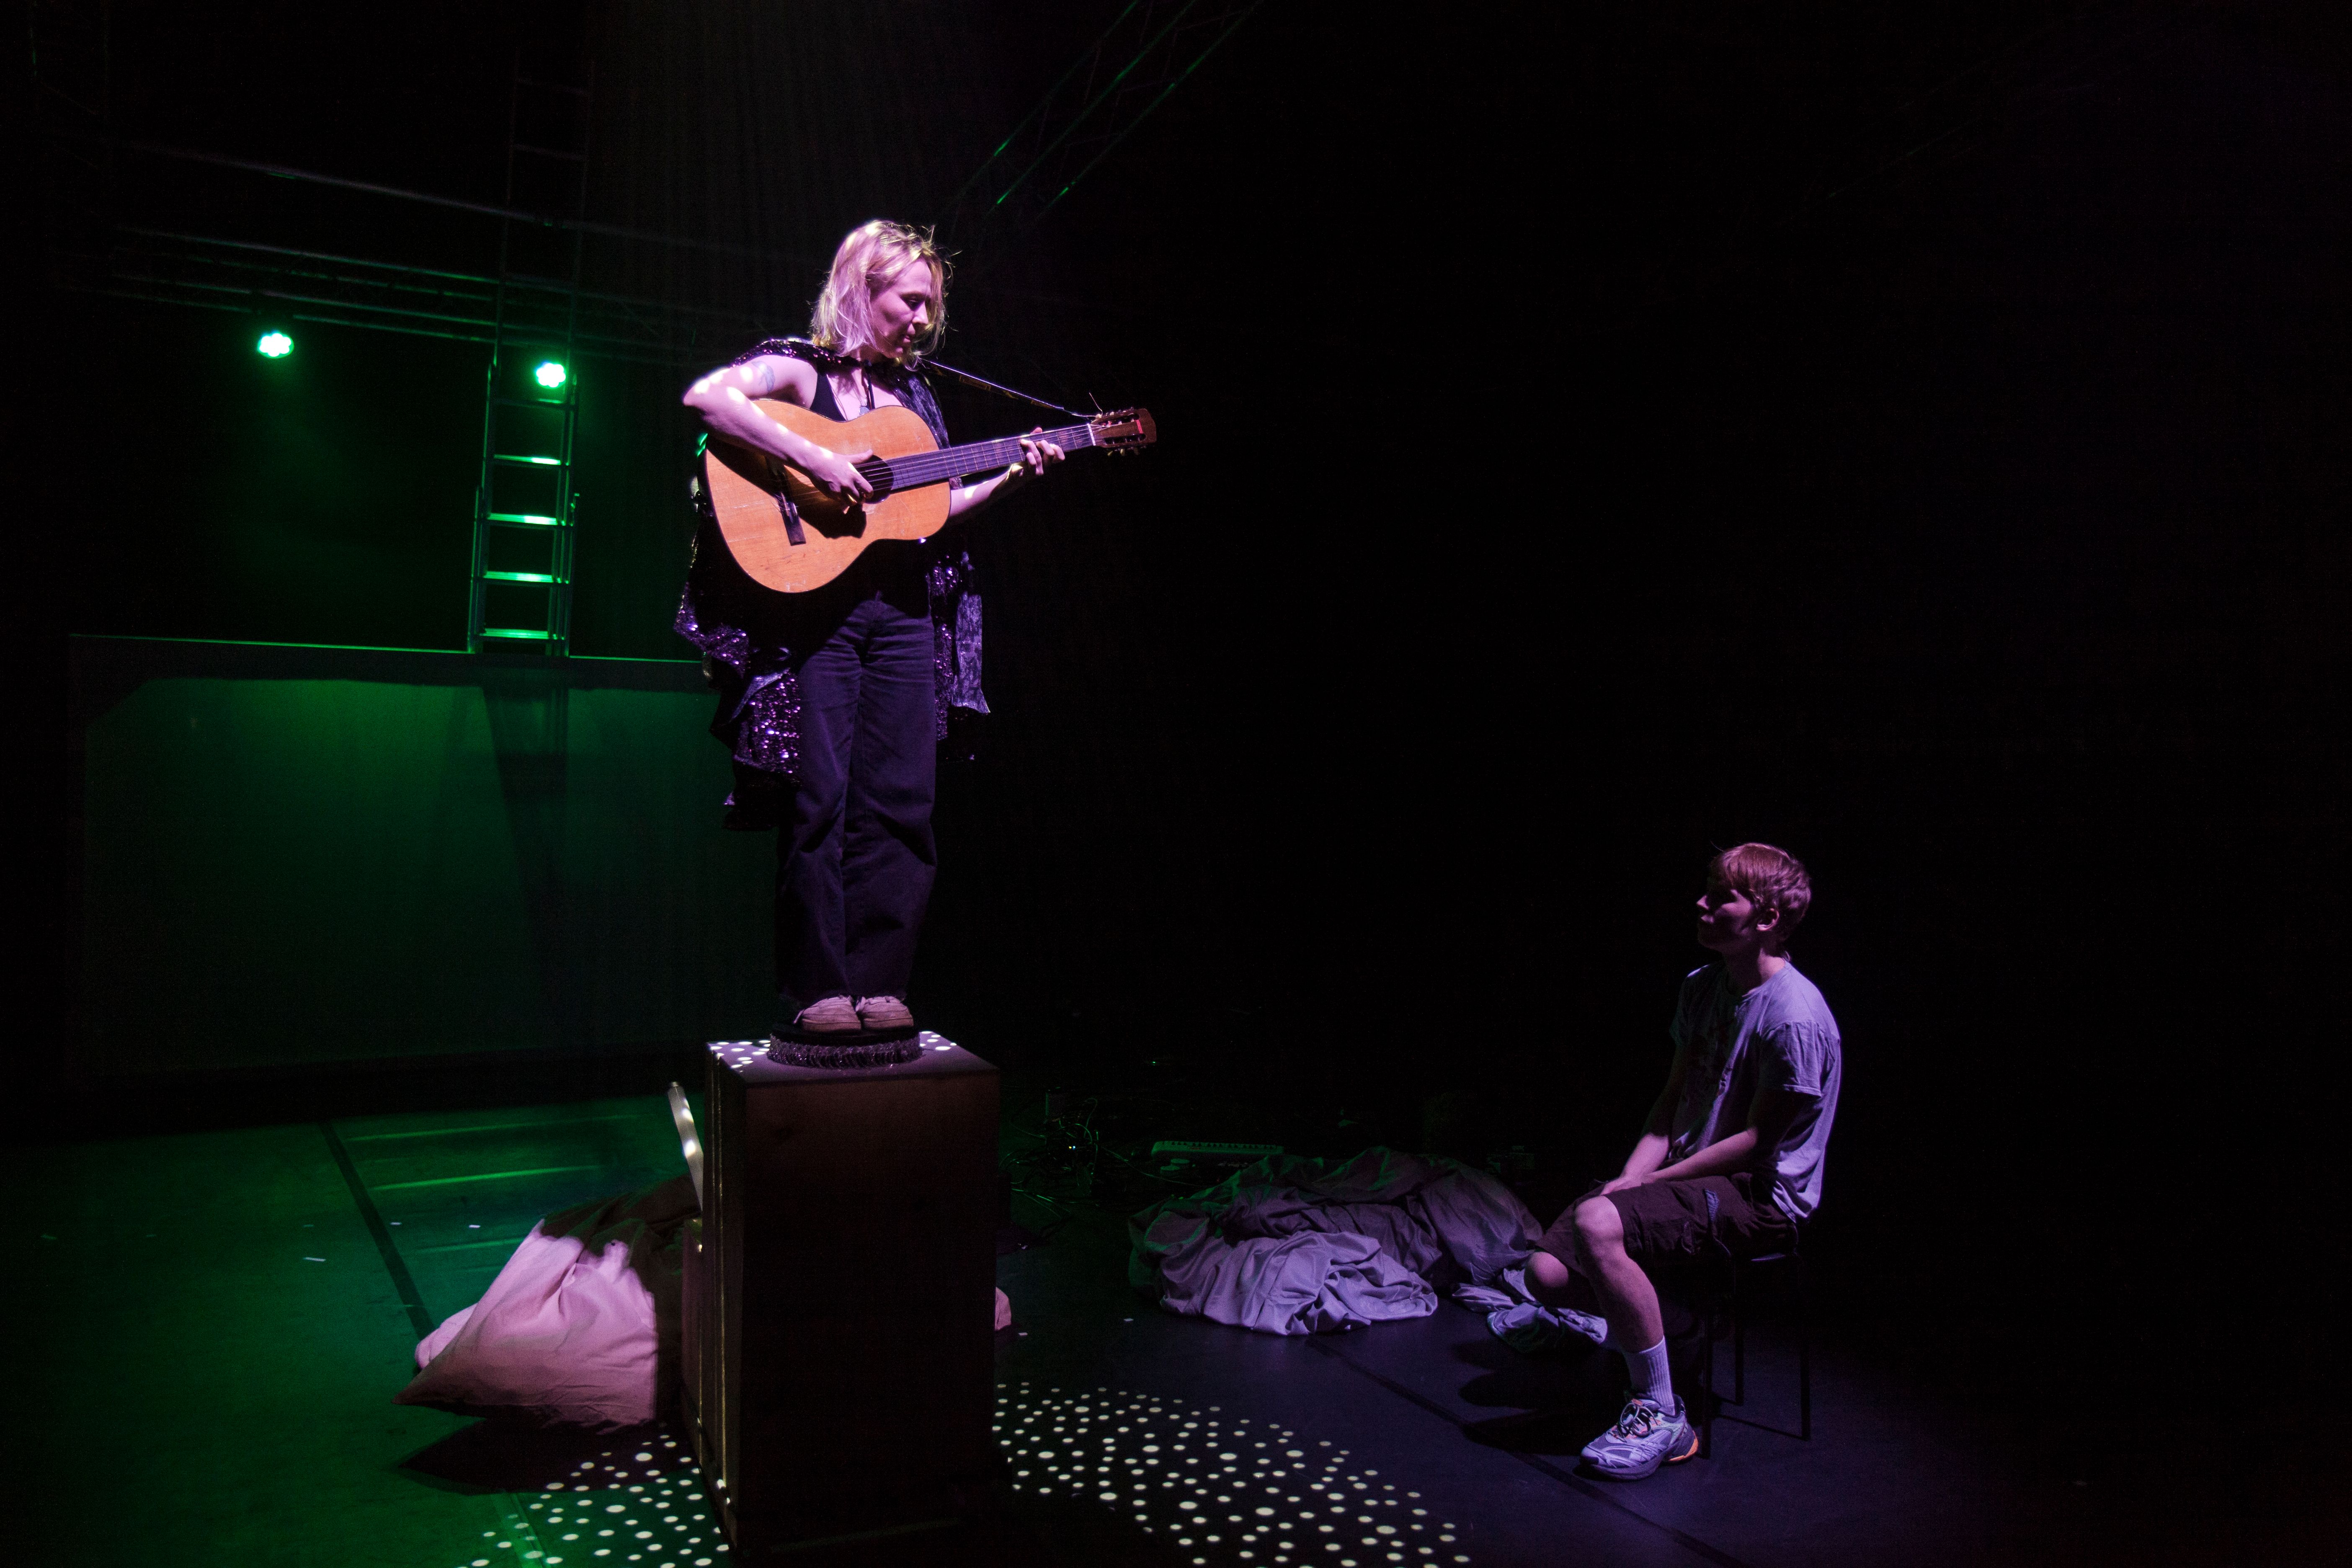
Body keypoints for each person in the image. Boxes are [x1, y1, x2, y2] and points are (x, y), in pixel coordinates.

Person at [676, 220, 1064, 1036]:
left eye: (932, 306)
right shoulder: (800, 368)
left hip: (902, 613)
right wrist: (818, 460)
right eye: (910, 301)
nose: (924, 320)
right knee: (819, 798)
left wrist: (1013, 479)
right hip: (819, 613)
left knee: (901, 799)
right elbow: (709, 399)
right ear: (863, 289)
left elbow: (928, 511)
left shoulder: (914, 403)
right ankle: (819, 988)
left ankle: (881, 984)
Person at [1527, 842, 1842, 1480]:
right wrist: (1629, 1177)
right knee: (1546, 1274)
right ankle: (1686, 1327)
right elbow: (1672, 1103)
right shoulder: (1702, 988)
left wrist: (1647, 1183)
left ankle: (1662, 1411)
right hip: (1687, 1176)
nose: (1701, 904)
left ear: (1767, 918)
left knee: (1597, 1223)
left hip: (1760, 1194)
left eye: (1722, 897)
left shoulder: (1795, 1017)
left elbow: (1757, 1143)